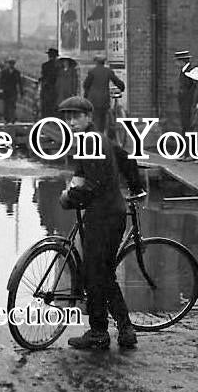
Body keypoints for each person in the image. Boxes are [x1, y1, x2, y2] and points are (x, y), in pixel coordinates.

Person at [56, 96, 146, 350]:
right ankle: (125, 329)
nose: (71, 121)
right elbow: (125, 157)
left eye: (76, 116)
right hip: (108, 214)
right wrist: (137, 188)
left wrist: (68, 198)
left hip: (103, 216)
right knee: (103, 274)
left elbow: (92, 186)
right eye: (67, 117)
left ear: (88, 117)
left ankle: (98, 333)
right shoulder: (97, 139)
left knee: (94, 274)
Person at [83, 56, 125, 138]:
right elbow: (117, 82)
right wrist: (122, 87)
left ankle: (96, 137)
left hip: (93, 99)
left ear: (96, 62)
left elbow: (86, 85)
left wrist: (86, 96)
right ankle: (102, 136)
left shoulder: (92, 71)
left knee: (95, 119)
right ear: (104, 62)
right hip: (104, 99)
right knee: (103, 118)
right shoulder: (108, 71)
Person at [175, 50, 196, 134]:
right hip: (184, 102)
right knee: (184, 123)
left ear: (181, 61)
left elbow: (191, 87)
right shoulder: (183, 71)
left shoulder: (189, 71)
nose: (175, 63)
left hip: (189, 102)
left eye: (177, 61)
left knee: (188, 123)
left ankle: (188, 143)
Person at [0, 59, 23, 123]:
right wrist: (1, 89)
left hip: (13, 91)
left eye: (12, 64)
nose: (11, 65)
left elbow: (19, 83)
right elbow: (1, 81)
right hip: (6, 91)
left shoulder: (17, 72)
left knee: (12, 104)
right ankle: (7, 118)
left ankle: (13, 118)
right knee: (6, 105)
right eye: (10, 64)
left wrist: (21, 92)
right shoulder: (4, 72)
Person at [39, 48, 59, 118]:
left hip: (47, 87)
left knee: (46, 103)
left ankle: (46, 117)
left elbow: (44, 76)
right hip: (56, 87)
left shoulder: (45, 65)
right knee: (54, 103)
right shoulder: (59, 66)